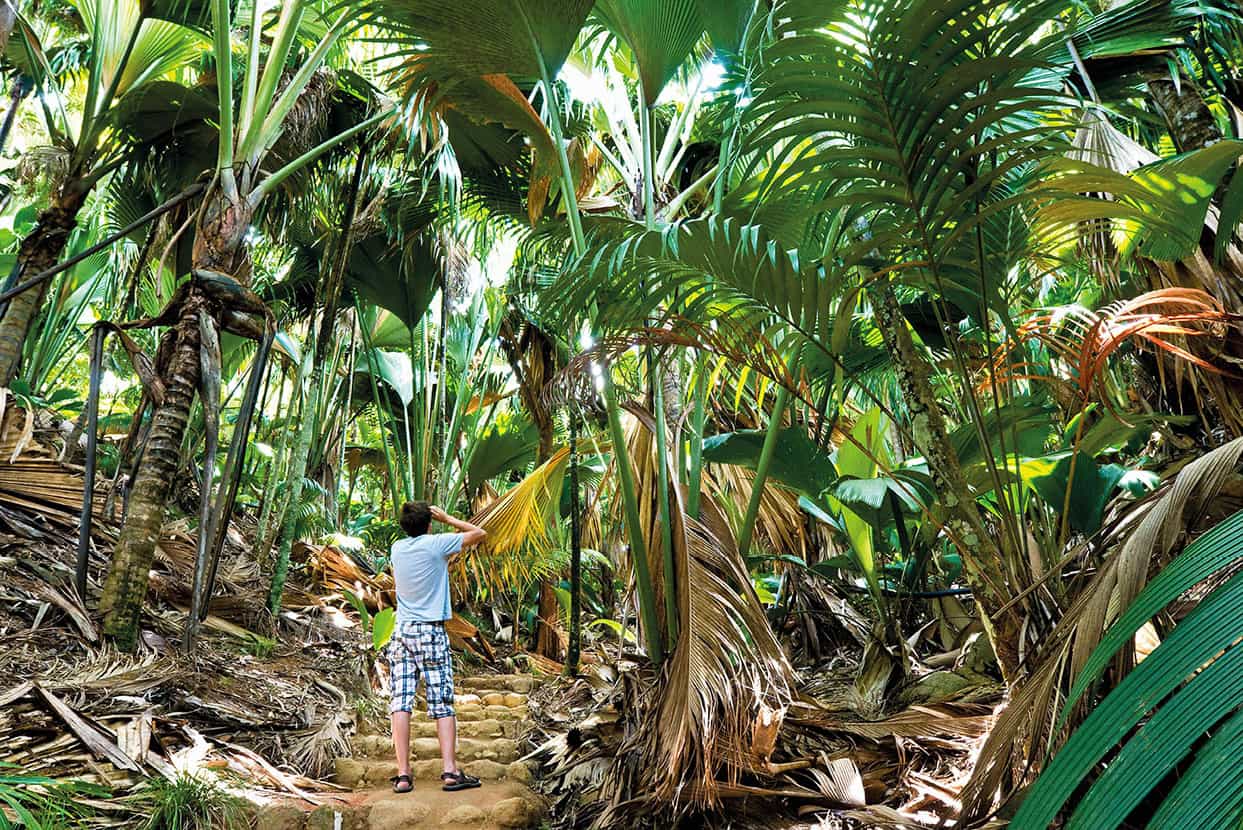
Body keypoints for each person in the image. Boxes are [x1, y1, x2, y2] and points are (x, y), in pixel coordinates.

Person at [387, 501, 487, 794]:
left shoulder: (397, 549)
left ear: (405, 526)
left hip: (402, 631)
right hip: (430, 631)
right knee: (442, 703)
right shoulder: (437, 544)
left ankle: (403, 774)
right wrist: (449, 518)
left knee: (400, 701)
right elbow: (479, 532)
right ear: (430, 523)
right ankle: (449, 772)